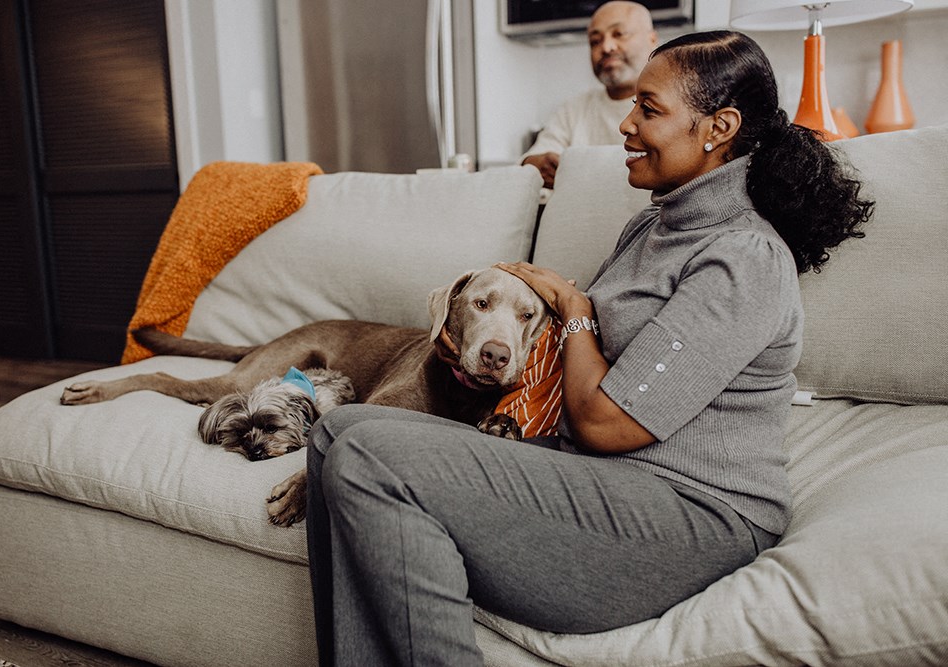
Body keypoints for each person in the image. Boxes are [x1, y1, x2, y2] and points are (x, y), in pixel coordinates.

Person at [305, 30, 873, 666]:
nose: (626, 125)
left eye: (649, 110)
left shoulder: (743, 257)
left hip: (688, 519)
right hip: (597, 483)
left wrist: (574, 308)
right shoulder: (653, 225)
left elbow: (606, 422)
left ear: (719, 127)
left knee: (367, 453)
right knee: (337, 433)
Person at [521, 1, 658, 188]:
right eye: (595, 41)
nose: (607, 47)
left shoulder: (674, 105)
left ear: (652, 40)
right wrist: (533, 164)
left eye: (619, 34)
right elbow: (531, 162)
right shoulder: (574, 110)